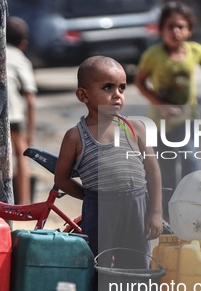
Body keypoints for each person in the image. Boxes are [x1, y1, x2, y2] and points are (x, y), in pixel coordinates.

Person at [54, 56, 163, 267]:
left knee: (137, 265)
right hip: (99, 211)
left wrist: (156, 212)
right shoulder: (75, 137)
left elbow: (153, 172)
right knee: (98, 264)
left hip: (136, 207)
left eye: (122, 88)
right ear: (83, 95)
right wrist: (91, 197)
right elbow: (62, 179)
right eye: (108, 88)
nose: (117, 95)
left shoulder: (135, 128)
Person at [134, 1, 201, 219]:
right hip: (161, 125)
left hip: (188, 119)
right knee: (167, 169)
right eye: (170, 26)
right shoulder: (153, 55)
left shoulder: (194, 50)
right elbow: (139, 82)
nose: (176, 31)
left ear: (189, 30)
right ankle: (168, 216)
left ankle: (192, 205)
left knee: (190, 159)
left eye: (181, 26)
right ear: (161, 29)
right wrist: (160, 104)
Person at [6, 16, 37, 205]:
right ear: (23, 44)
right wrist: (30, 134)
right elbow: (31, 100)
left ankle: (0, 201)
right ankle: (23, 204)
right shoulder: (20, 59)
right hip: (13, 115)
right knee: (21, 156)